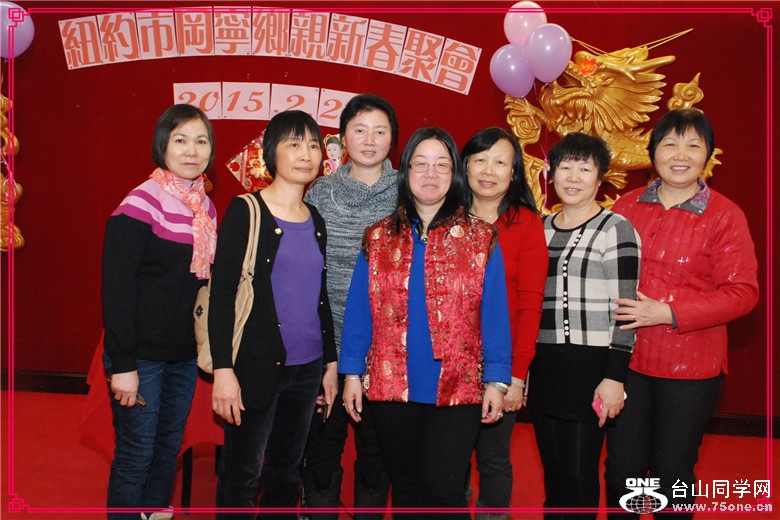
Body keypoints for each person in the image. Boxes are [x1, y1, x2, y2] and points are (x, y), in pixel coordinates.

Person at [339, 127, 513, 520]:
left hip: (457, 387)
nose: (430, 174)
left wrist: (497, 379)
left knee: (445, 490)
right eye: (420, 164)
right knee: (405, 488)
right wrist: (351, 373)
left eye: (441, 165)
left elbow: (494, 314)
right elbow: (360, 309)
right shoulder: (378, 237)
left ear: (455, 174)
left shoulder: (480, 238)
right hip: (391, 385)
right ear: (405, 172)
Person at [605, 108, 759, 518]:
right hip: (626, 362)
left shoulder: (725, 215)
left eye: (694, 145)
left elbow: (743, 293)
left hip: (691, 369)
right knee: (622, 471)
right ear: (653, 151)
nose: (681, 154)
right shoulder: (625, 206)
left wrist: (668, 312)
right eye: (670, 143)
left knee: (672, 475)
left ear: (708, 154)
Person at [209, 110, 338, 519]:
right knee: (242, 474)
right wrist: (223, 370)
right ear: (271, 153)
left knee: (286, 471)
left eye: (313, 145)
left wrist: (330, 363)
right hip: (255, 366)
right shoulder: (245, 211)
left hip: (307, 368)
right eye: (294, 144)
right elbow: (222, 295)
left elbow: (320, 297)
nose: (306, 154)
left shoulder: (316, 219)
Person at [102, 103, 217, 520]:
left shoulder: (205, 210)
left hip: (183, 355)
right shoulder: (139, 204)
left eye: (201, 141)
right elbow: (117, 290)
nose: (191, 150)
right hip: (141, 357)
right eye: (180, 140)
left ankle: (154, 513)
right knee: (137, 452)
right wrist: (123, 365)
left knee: (168, 448)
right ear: (162, 145)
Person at [525, 132, 641, 519]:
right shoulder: (538, 227)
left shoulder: (615, 228)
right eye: (565, 167)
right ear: (551, 173)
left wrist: (614, 377)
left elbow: (627, 309)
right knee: (554, 475)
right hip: (545, 366)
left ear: (600, 177)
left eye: (585, 169)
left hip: (591, 369)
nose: (573, 177)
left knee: (578, 476)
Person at [302, 94, 399, 519]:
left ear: (392, 140)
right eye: (360, 130)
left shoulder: (408, 193)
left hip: (386, 351)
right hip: (327, 346)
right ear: (342, 138)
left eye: (380, 131)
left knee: (376, 456)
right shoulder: (320, 192)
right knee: (322, 451)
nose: (370, 140)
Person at [459, 127, 548, 519]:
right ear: (465, 166)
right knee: (449, 456)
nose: (488, 170)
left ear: (513, 172)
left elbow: (530, 305)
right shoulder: (445, 217)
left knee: (493, 458)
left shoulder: (527, 223)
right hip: (449, 362)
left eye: (499, 162)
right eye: (480, 160)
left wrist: (517, 375)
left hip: (499, 364)